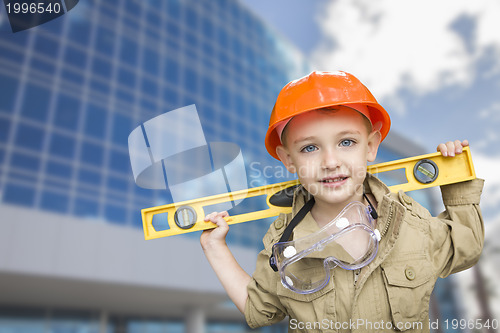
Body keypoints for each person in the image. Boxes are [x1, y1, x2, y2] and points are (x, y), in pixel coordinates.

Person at [201, 71, 484, 332]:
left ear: (371, 146)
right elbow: (259, 311)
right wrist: (215, 248)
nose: (330, 162)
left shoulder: (406, 218)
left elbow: (465, 247)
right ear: (288, 159)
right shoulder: (283, 244)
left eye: (346, 142)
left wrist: (456, 182)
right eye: (310, 148)